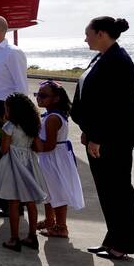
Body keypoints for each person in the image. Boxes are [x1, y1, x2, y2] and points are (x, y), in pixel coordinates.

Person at [71, 16, 134, 260]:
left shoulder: (117, 61)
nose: (85, 38)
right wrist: (88, 130)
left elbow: (114, 107)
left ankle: (123, 244)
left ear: (101, 34)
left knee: (117, 189)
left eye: (88, 34)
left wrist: (97, 137)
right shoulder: (103, 57)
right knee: (108, 190)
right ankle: (114, 239)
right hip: (102, 133)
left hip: (114, 136)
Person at [0, 15, 29, 215]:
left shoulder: (12, 53)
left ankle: (14, 206)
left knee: (9, 156)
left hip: (7, 110)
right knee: (0, 157)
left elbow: (21, 86)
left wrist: (14, 116)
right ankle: (3, 199)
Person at [0, 93, 47, 252]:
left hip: (13, 165)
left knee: (13, 202)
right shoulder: (32, 126)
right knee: (30, 202)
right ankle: (32, 236)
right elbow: (38, 148)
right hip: (28, 163)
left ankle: (14, 238)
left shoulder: (9, 126)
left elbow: (4, 149)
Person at [34, 80, 84, 239]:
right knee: (49, 191)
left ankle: (61, 226)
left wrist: (32, 141)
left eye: (43, 95)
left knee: (58, 192)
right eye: (37, 94)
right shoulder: (50, 115)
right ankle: (50, 220)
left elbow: (49, 145)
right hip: (52, 157)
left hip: (54, 158)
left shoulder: (52, 119)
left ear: (55, 98)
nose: (38, 98)